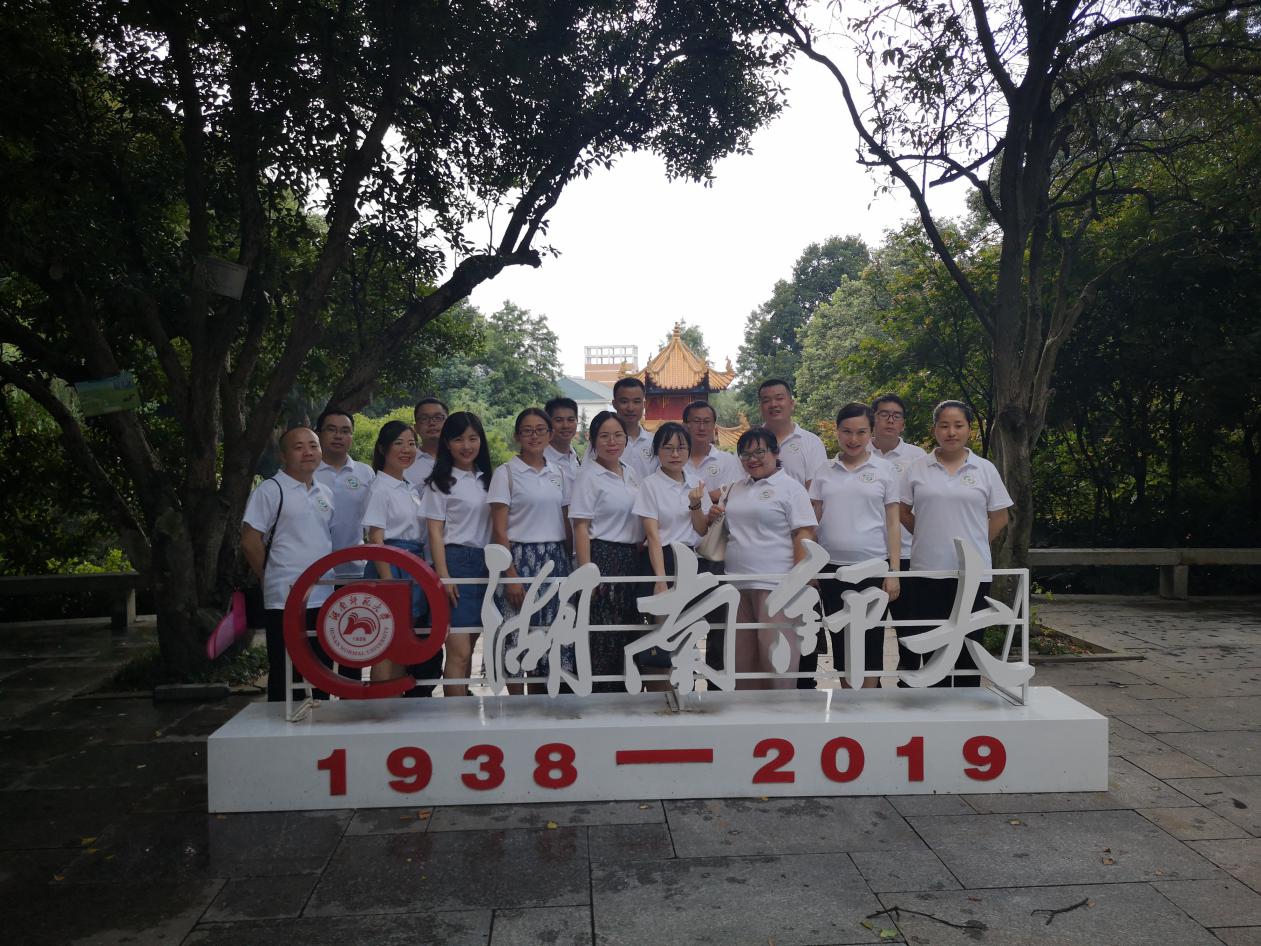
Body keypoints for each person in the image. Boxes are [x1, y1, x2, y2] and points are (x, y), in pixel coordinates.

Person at [899, 400, 1013, 688]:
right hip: (928, 570)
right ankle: (935, 707)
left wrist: (976, 544)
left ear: (969, 429)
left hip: (972, 573)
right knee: (933, 644)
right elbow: (902, 511)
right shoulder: (917, 468)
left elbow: (1000, 517)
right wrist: (925, 533)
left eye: (958, 425)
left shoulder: (985, 469)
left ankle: (966, 705)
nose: (951, 432)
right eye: (944, 425)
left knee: (969, 645)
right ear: (935, 430)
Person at [806, 403, 901, 689]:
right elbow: (812, 522)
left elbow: (893, 523)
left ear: (871, 433)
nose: (853, 439)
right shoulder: (824, 471)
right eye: (846, 431)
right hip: (832, 570)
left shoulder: (884, 470)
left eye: (861, 432)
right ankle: (848, 701)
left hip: (873, 568)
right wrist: (810, 569)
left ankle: (867, 704)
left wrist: (894, 571)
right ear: (837, 432)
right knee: (841, 640)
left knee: (870, 640)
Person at [241, 426, 335, 702]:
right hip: (285, 596)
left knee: (322, 667)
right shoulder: (271, 490)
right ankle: (280, 723)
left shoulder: (325, 492)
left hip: (322, 594)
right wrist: (267, 576)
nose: (308, 452)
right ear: (283, 455)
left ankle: (322, 719)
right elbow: (250, 540)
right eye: (298, 447)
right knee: (286, 669)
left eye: (313, 445)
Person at [723, 427, 818, 690]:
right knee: (742, 659)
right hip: (737, 583)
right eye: (745, 454)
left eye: (759, 452)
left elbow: (804, 533)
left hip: (776, 585)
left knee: (776, 656)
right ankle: (748, 711)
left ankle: (781, 709)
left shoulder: (790, 488)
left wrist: (798, 581)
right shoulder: (736, 488)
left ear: (775, 453)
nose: (752, 459)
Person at [488, 407, 574, 691]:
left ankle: (540, 704)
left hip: (555, 560)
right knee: (516, 632)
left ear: (550, 435)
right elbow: (499, 529)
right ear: (517, 436)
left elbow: (566, 521)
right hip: (520, 559)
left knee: (549, 634)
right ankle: (515, 706)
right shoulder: (506, 473)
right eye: (527, 430)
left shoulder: (559, 473)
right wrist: (510, 574)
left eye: (540, 430)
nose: (534, 436)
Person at [362, 420, 443, 696]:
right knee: (387, 641)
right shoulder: (380, 488)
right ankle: (380, 703)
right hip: (392, 568)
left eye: (411, 443)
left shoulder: (407, 486)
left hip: (412, 567)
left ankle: (394, 702)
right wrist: (389, 584)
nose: (406, 450)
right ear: (383, 448)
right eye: (399, 443)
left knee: (401, 640)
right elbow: (375, 538)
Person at [569, 411, 645, 692]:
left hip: (631, 558)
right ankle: (601, 696)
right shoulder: (588, 476)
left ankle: (626, 696)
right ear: (593, 440)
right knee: (603, 630)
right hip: (603, 557)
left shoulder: (630, 472)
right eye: (604, 436)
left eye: (617, 435)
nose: (612, 442)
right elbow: (580, 526)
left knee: (628, 627)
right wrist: (587, 575)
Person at [635, 422, 713, 687]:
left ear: (689, 450)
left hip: (689, 562)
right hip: (661, 560)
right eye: (667, 448)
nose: (675, 454)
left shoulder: (695, 482)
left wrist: (695, 504)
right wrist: (660, 580)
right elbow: (653, 535)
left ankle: (683, 693)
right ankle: (660, 694)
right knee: (660, 631)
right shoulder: (650, 485)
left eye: (681, 448)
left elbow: (701, 529)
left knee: (686, 630)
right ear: (657, 451)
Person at [420, 412, 493, 697]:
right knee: (458, 650)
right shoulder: (440, 482)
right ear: (447, 444)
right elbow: (434, 531)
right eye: (459, 439)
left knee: (471, 646)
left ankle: (463, 707)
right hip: (456, 563)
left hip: (486, 565)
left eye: (473, 438)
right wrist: (444, 576)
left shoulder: (489, 479)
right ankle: (455, 714)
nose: (467, 446)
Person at [868, 393, 926, 677]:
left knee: (910, 627)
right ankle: (872, 687)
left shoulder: (918, 458)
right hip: (869, 557)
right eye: (884, 414)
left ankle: (909, 683)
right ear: (873, 419)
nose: (890, 420)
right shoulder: (858, 452)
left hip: (907, 555)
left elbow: (925, 507)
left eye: (896, 416)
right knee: (870, 628)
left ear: (903, 423)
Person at [313, 408, 374, 582]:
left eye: (345, 431)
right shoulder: (308, 472)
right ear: (318, 434)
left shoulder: (365, 473)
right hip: (313, 571)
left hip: (356, 570)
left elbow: (373, 524)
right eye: (331, 429)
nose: (338, 436)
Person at [756, 379, 828, 488]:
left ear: (792, 403)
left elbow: (816, 489)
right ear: (760, 408)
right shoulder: (749, 445)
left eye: (779, 398)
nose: (773, 404)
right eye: (766, 400)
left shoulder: (812, 442)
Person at [682, 399, 742, 488]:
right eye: (696, 421)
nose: (702, 427)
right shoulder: (674, 460)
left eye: (707, 422)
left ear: (714, 425)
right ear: (685, 425)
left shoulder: (728, 461)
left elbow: (735, 491)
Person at [612, 377, 657, 479]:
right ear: (614, 404)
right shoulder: (604, 443)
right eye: (624, 402)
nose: (630, 408)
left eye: (636, 402)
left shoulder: (654, 442)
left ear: (644, 405)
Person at [403, 396, 449, 493]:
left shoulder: (462, 458)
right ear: (416, 428)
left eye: (438, 417)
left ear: (448, 423)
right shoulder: (405, 463)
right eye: (424, 418)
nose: (432, 423)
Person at [544, 396, 582, 496]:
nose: (565, 425)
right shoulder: (541, 460)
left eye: (571, 420)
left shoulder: (576, 457)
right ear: (547, 423)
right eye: (559, 420)